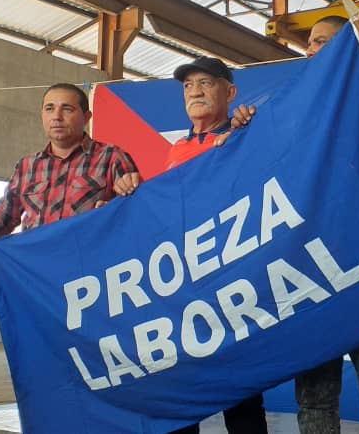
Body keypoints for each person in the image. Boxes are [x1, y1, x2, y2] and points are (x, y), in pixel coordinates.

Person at [231, 15, 359, 434]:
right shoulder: (281, 108)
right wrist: (245, 131)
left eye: (324, 42)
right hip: (309, 271)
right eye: (310, 43)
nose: (313, 50)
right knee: (314, 399)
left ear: (349, 47)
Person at [114, 57, 268, 434]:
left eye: (205, 83)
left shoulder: (246, 132)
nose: (195, 91)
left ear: (230, 92)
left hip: (233, 281)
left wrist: (248, 131)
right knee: (180, 397)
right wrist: (127, 194)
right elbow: (162, 217)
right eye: (187, 86)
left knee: (242, 399)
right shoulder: (176, 150)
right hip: (184, 291)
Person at [0, 83, 138, 251]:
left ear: (86, 117)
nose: (56, 116)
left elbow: (137, 213)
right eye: (49, 108)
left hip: (90, 266)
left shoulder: (112, 157)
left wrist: (114, 209)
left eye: (67, 109)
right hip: (37, 267)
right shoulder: (27, 166)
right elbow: (5, 214)